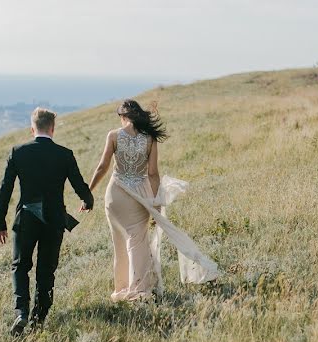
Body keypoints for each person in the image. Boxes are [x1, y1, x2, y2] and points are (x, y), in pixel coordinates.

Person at [86, 99, 219, 301]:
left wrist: (88, 191)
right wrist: (156, 201)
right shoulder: (149, 139)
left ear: (123, 117)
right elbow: (153, 173)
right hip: (140, 194)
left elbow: (102, 167)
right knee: (137, 241)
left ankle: (122, 288)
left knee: (119, 242)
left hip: (115, 194)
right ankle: (139, 290)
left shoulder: (113, 135)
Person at [0, 107, 93, 335]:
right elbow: (79, 185)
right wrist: (88, 201)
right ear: (53, 129)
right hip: (54, 219)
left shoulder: (18, 152)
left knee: (20, 266)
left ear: (32, 129)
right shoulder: (64, 154)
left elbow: (4, 190)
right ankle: (39, 318)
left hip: (26, 218)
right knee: (46, 270)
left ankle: (21, 312)